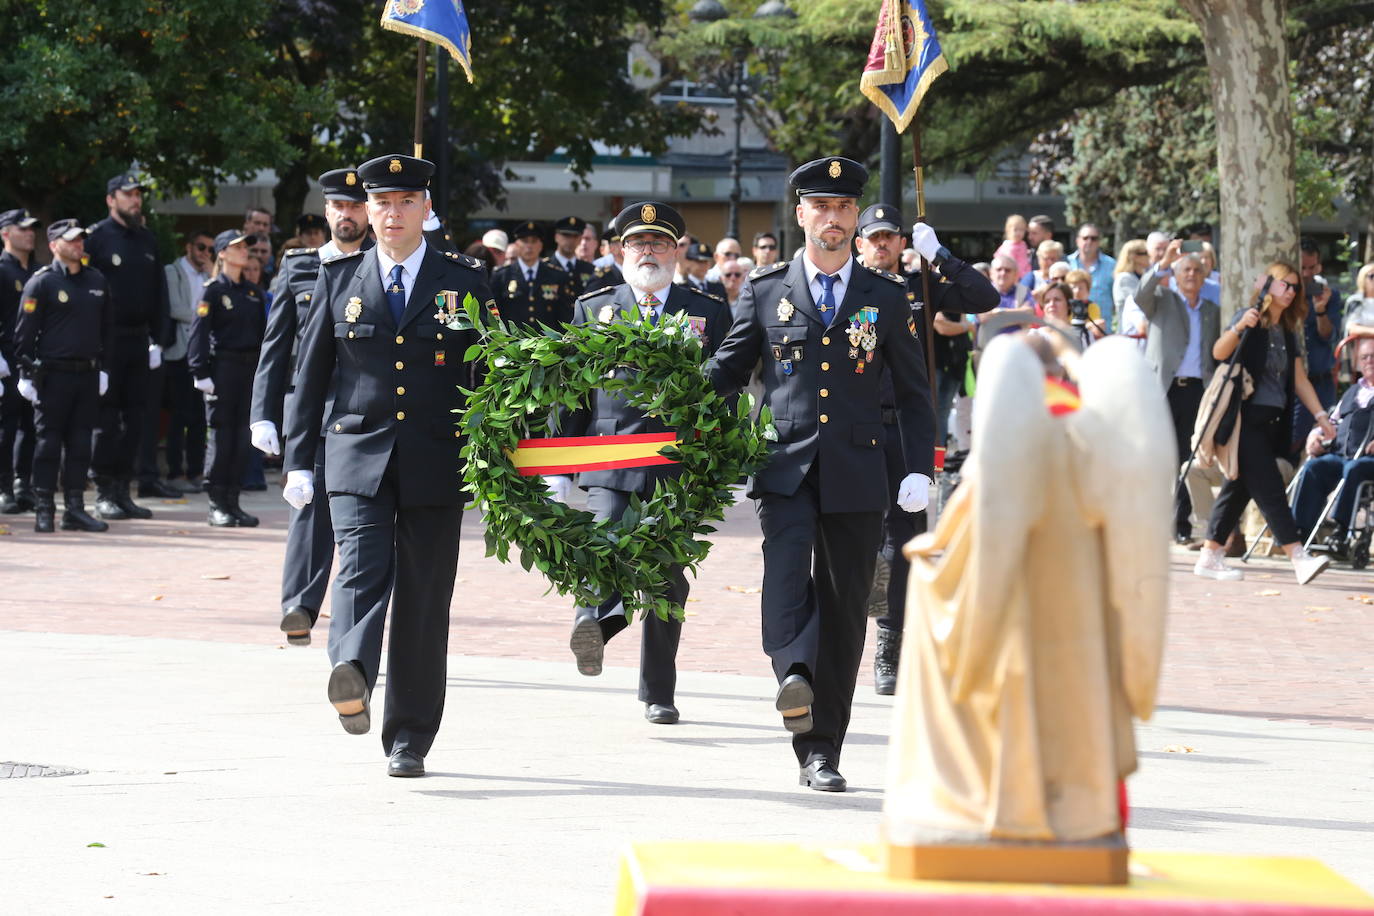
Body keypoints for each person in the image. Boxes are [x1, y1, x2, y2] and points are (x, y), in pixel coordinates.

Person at [707, 158, 936, 792]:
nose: (831, 219)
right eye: (820, 207)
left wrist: (920, 468)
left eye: (843, 208)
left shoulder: (885, 298)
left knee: (844, 612)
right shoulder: (765, 289)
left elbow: (917, 395)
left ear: (855, 219)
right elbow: (725, 371)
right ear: (800, 214)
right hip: (784, 468)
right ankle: (792, 673)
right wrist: (670, 399)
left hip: (861, 473)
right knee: (784, 584)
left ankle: (821, 751)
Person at [282, 153, 493, 778]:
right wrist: (299, 460)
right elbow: (310, 373)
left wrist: (506, 454)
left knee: (424, 602)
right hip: (355, 452)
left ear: (427, 209)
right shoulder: (338, 278)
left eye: (406, 202)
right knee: (359, 567)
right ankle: (350, 669)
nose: (393, 214)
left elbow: (493, 371)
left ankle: (409, 736)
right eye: (382, 203)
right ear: (366, 212)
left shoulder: (466, 280)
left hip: (435, 458)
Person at [549, 201, 733, 725]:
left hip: (678, 464)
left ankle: (658, 691)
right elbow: (574, 390)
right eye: (637, 243)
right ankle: (591, 620)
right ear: (619, 251)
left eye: (658, 243)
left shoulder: (707, 311)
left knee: (667, 580)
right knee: (605, 543)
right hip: (608, 456)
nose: (647, 252)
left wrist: (721, 459)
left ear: (676, 251)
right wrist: (561, 465)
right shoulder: (595, 307)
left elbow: (724, 391)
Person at [854, 202, 996, 696]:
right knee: (856, 538)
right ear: (859, 244)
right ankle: (847, 634)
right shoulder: (845, 286)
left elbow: (985, 296)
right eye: (874, 238)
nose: (882, 245)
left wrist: (939, 256)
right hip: (854, 427)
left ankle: (889, 646)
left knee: (902, 540)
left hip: (906, 430)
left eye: (891, 237)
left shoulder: (920, 286)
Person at [252, 166, 372, 645]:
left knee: (360, 517)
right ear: (326, 211)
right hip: (313, 411)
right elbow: (276, 345)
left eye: (355, 205)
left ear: (368, 211)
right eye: (338, 206)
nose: (346, 214)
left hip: (362, 410)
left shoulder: (382, 265)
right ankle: (299, 605)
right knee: (309, 508)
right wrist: (262, 411)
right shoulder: (299, 266)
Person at [1194, 263, 1334, 586]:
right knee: (1271, 488)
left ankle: (1210, 554)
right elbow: (1219, 352)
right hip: (1244, 419)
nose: (1291, 291)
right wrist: (1240, 326)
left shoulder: (1287, 330)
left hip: (1272, 422)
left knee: (1239, 487)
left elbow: (1299, 380)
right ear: (1268, 285)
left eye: (1295, 287)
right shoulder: (1251, 317)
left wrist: (1321, 416)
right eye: (1285, 284)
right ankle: (1298, 556)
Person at [12, 219, 111, 533]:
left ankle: (75, 508)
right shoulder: (41, 283)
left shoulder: (96, 280)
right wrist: (26, 375)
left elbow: (107, 330)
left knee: (81, 444)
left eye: (81, 239)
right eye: (71, 240)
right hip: (53, 376)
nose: (79, 244)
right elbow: (23, 336)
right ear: (54, 245)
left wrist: (104, 368)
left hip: (87, 375)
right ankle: (44, 508)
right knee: (48, 444)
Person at [83, 172, 170, 521]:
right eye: (128, 194)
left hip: (139, 341)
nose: (135, 200)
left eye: (138, 194)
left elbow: (158, 294)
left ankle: (123, 489)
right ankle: (103, 489)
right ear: (111, 199)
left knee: (138, 419)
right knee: (106, 420)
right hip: (107, 341)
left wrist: (159, 341)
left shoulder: (147, 239)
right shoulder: (97, 239)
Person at [1136, 243, 1220, 543]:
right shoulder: (1162, 300)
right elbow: (1140, 294)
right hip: (1165, 389)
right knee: (1157, 456)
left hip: (1198, 391)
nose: (1192, 275)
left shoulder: (1212, 311)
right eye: (1186, 269)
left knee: (1187, 460)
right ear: (1176, 274)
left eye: (1197, 271)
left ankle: (1180, 526)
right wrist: (1162, 263)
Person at [188, 231, 266, 527]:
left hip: (248, 369)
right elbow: (199, 333)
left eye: (246, 246)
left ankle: (233, 501)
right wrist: (200, 372)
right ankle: (216, 502)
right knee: (221, 437)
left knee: (241, 439)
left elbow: (262, 337)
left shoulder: (252, 292)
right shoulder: (212, 291)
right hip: (223, 368)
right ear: (222, 253)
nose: (244, 250)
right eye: (237, 247)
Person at [1293, 337, 1374, 557]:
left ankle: (1340, 530)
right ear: (1358, 362)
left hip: (1368, 461)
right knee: (1315, 467)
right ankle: (1301, 531)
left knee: (1354, 469)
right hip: (1342, 455)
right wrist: (1316, 436)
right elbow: (1331, 422)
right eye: (1365, 357)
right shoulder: (1351, 392)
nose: (1369, 361)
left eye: (1373, 357)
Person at [160, 230, 213, 492]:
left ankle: (194, 471)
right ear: (189, 246)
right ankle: (174, 472)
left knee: (198, 418)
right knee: (178, 416)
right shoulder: (173, 271)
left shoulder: (207, 275)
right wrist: (201, 318)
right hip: (180, 351)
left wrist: (213, 269)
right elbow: (175, 308)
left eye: (209, 250)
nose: (205, 253)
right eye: (201, 247)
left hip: (201, 352)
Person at [0, 209, 42, 514]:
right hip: (7, 357)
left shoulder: (38, 273)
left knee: (32, 425)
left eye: (32, 229)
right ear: (5, 233)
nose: (30, 233)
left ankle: (22, 484)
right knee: (7, 424)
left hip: (36, 359)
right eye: (22, 228)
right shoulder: (1, 269)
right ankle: (4, 487)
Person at [1293, 237, 1338, 449]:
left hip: (1321, 382)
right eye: (1302, 267)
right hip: (1293, 385)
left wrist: (1320, 308)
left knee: (1324, 441)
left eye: (1312, 267)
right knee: (1292, 443)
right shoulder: (1285, 295)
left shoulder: (1329, 294)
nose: (1307, 273)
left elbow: (1328, 336)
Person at [490, 220, 574, 328]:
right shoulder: (502, 275)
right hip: (513, 342)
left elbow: (565, 316)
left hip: (548, 342)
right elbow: (494, 315)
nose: (529, 246)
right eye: (525, 241)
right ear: (517, 245)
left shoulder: (557, 276)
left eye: (534, 241)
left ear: (540, 245)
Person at [1066, 223, 1116, 331]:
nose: (1089, 241)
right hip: (1070, 332)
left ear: (1099, 242)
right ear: (1077, 240)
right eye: (1085, 238)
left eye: (1093, 238)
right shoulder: (1066, 264)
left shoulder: (1112, 265)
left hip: (1101, 332)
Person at [550, 216, 596, 296]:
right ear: (556, 237)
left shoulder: (590, 269)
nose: (571, 240)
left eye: (575, 236)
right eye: (566, 235)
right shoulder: (545, 267)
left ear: (580, 238)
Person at [1112, 239, 1149, 337]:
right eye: (1146, 253)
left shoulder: (1142, 276)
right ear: (1135, 257)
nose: (1150, 256)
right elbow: (1141, 302)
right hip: (1129, 334)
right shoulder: (1125, 279)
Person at [1062, 268, 1108, 341]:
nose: (1076, 291)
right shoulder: (1063, 306)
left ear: (1088, 291)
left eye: (1080, 288)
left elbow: (1095, 329)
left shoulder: (1092, 307)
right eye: (1073, 287)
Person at [586, 223, 624, 292]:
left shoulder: (639, 272)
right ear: (612, 248)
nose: (628, 246)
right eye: (623, 243)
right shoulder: (601, 276)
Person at [994, 213, 1031, 278]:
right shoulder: (1008, 247)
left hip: (1025, 276)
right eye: (1015, 230)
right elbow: (1010, 266)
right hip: (1014, 278)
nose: (1018, 233)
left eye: (1021, 230)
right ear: (1008, 230)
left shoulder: (1023, 244)